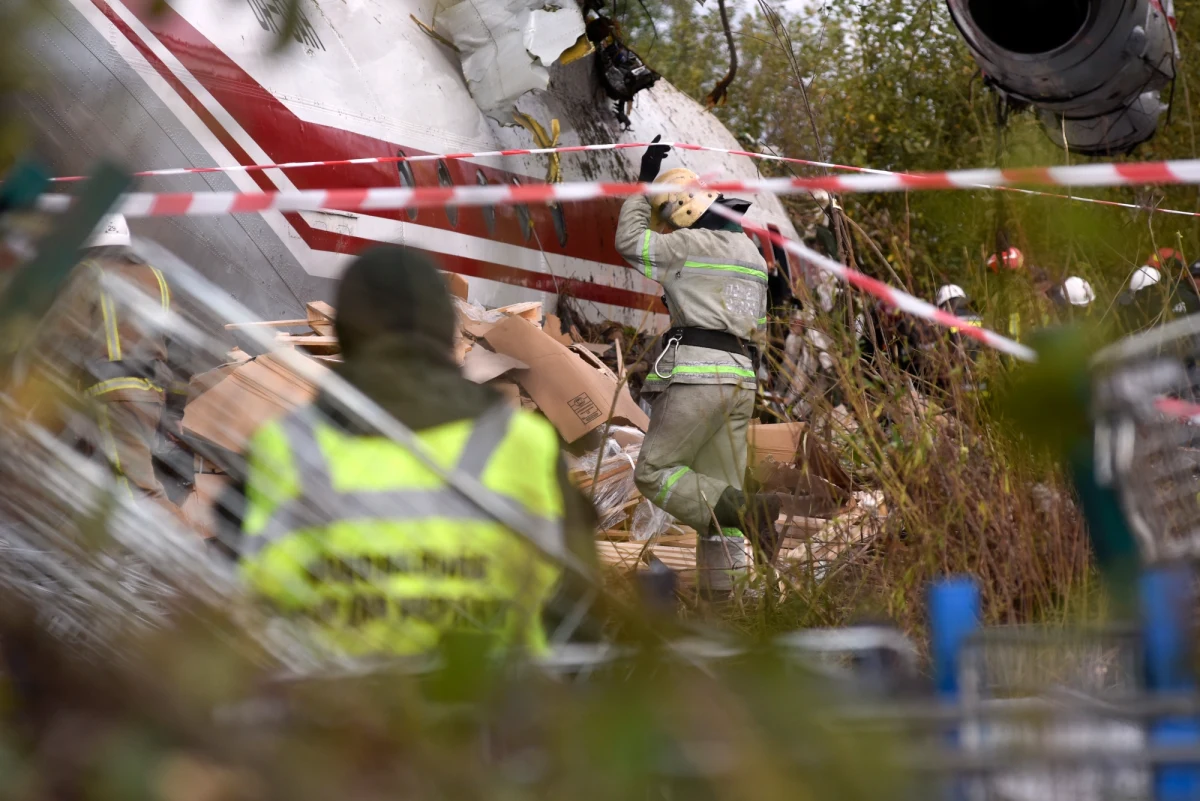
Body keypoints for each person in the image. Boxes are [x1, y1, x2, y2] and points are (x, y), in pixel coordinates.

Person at [237, 246, 596, 657]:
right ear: (446, 331)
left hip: (329, 709)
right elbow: (578, 607)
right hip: (489, 709)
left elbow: (231, 610)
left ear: (349, 333)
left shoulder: (286, 447)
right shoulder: (522, 445)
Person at [614, 137, 779, 598]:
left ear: (681, 213)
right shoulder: (751, 256)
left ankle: (748, 511)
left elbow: (628, 242)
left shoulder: (687, 245)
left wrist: (642, 187)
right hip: (742, 381)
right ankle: (727, 600)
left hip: (697, 377)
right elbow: (758, 325)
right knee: (719, 492)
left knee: (655, 471)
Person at [69, 214, 174, 503]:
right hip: (151, 392)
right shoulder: (156, 277)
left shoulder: (89, 272)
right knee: (110, 483)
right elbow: (174, 341)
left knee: (138, 488)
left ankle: (178, 545)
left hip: (114, 393)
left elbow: (66, 335)